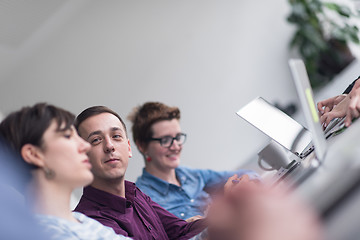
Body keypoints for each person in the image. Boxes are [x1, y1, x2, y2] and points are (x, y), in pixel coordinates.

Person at [0, 103, 131, 240]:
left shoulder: (83, 221)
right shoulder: (44, 235)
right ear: (34, 155)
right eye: (68, 136)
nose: (85, 146)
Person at [73, 106, 207, 240]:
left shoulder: (134, 194)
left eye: (116, 136)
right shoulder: (88, 222)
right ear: (82, 156)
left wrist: (220, 220)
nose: (109, 146)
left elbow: (181, 230)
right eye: (96, 140)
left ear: (129, 148)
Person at [127, 101, 259, 220]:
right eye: (165, 140)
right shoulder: (142, 199)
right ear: (142, 146)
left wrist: (244, 185)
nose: (176, 146)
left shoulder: (191, 175)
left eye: (178, 137)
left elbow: (248, 175)